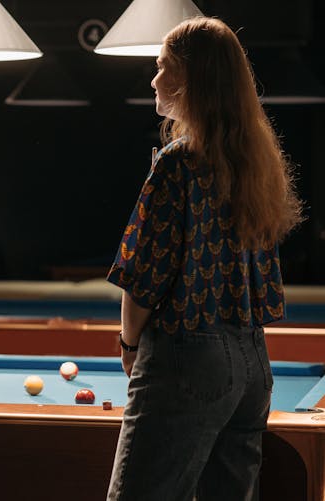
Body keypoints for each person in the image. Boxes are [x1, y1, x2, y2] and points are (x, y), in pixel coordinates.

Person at [105, 17, 303, 501]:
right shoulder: (256, 161)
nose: (153, 80)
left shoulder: (176, 162)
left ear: (190, 79)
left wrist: (129, 345)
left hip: (186, 357)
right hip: (252, 361)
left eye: (161, 68)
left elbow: (144, 279)